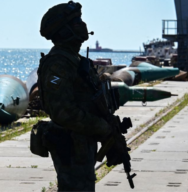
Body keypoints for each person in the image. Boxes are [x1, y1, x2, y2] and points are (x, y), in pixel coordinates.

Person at [37, 1, 119, 191]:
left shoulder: (77, 61)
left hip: (82, 143)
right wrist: (101, 127)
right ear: (64, 31)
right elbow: (62, 111)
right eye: (76, 21)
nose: (82, 25)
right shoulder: (58, 63)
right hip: (70, 144)